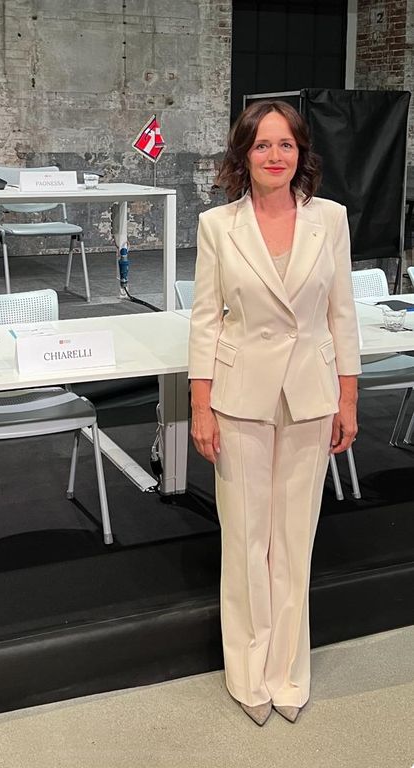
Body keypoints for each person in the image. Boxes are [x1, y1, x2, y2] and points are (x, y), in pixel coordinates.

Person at [188, 100, 361, 726]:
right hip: (239, 399)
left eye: (285, 144)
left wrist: (348, 398)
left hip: (312, 396)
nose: (275, 155)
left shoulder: (329, 220)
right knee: (245, 540)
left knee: (293, 542)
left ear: (301, 152)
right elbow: (205, 321)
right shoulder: (218, 226)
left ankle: (288, 672)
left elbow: (342, 313)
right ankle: (247, 672)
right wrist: (200, 406)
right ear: (243, 154)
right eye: (262, 144)